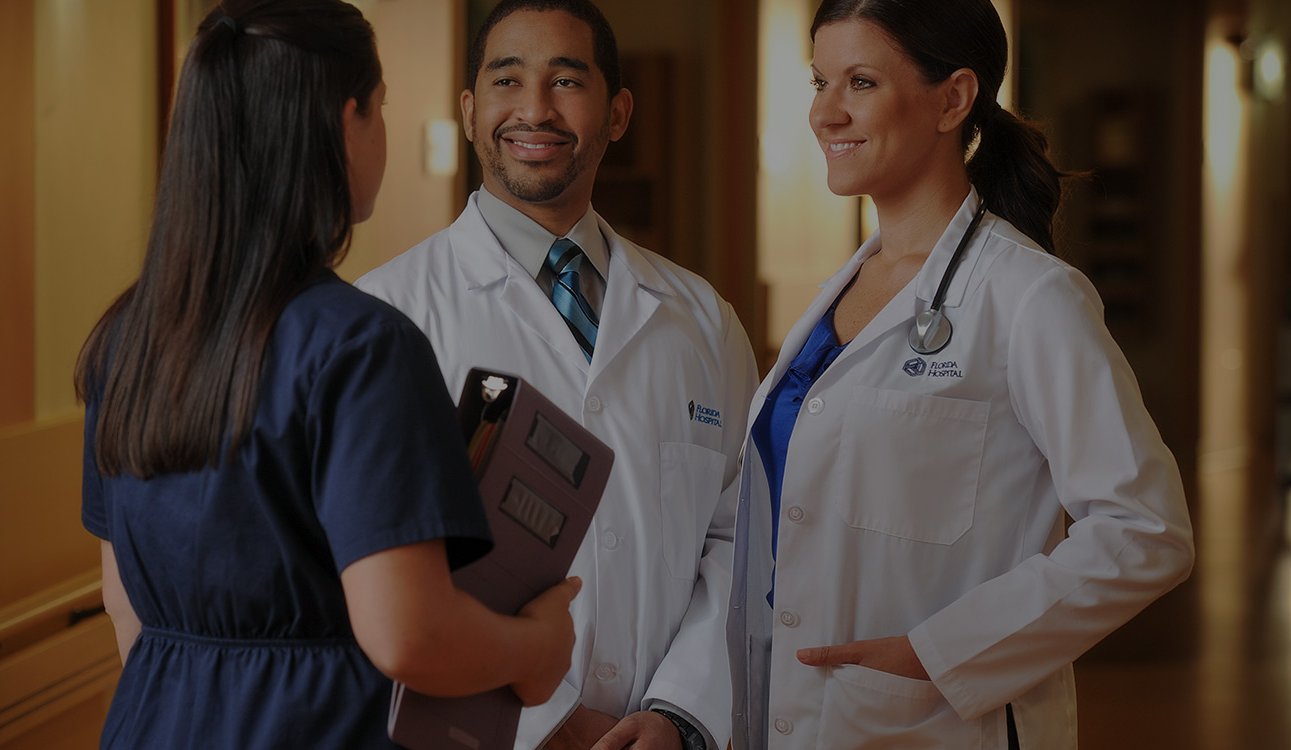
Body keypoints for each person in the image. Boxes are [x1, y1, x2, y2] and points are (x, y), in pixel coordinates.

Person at [75, 2, 579, 747]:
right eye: (379, 110)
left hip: (156, 719)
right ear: (348, 121)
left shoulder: (126, 338)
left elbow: (126, 607)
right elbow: (407, 633)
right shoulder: (361, 346)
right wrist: (535, 651)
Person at [725, 1, 1194, 748]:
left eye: (861, 82)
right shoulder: (841, 292)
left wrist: (941, 653)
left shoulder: (1029, 296)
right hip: (794, 714)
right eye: (819, 81)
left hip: (935, 723)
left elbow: (1146, 531)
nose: (825, 112)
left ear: (954, 99)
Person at [355, 1, 757, 748]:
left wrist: (678, 714)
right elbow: (368, 568)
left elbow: (737, 538)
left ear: (618, 113)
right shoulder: (385, 318)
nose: (535, 109)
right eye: (507, 80)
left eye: (567, 80)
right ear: (471, 111)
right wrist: (554, 723)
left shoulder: (703, 322)